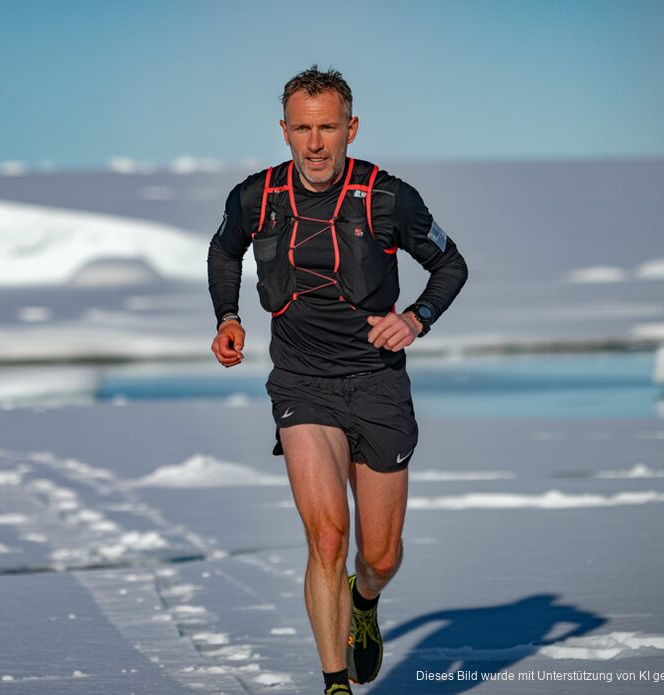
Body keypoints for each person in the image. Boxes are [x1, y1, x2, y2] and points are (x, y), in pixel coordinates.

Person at [207, 66, 467, 695]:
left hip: (378, 384)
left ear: (351, 128)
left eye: (327, 128)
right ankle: (334, 684)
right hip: (302, 385)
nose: (315, 142)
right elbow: (223, 252)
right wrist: (228, 318)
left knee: (378, 556)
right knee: (326, 536)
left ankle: (366, 601)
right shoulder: (256, 195)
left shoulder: (387, 196)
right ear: (284, 131)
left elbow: (449, 263)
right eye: (302, 128)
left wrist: (416, 319)